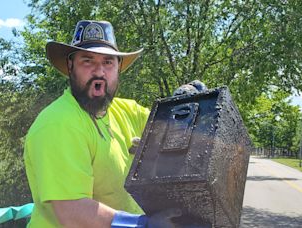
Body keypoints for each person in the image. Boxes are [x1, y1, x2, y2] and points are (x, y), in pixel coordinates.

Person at [24, 20, 206, 228]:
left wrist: (189, 107)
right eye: (88, 61)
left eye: (108, 62)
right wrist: (142, 224)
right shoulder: (58, 123)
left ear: (118, 68)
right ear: (70, 66)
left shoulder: (127, 111)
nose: (99, 72)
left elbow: (173, 133)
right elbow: (72, 212)